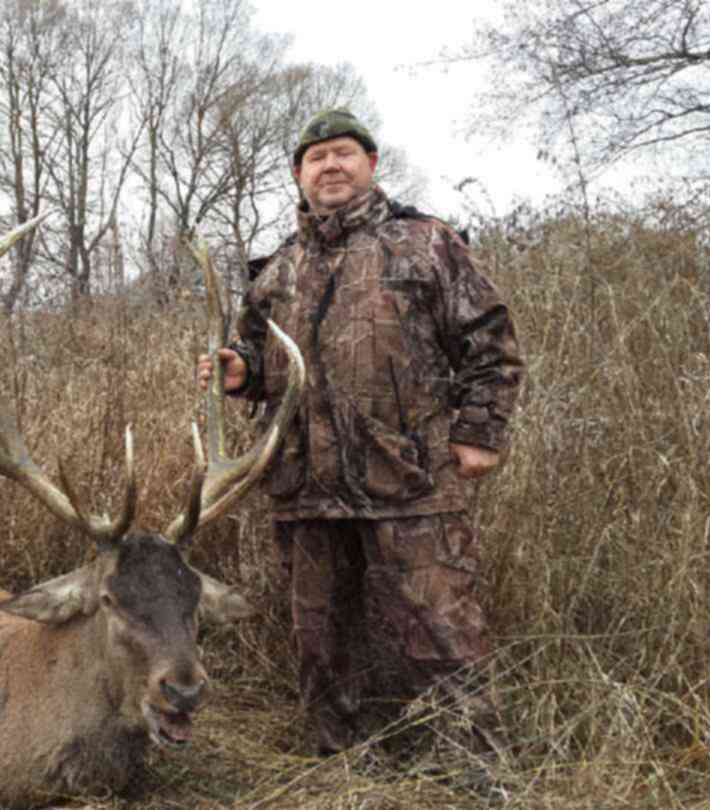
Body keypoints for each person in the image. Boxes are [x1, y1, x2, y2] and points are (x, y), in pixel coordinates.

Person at [197, 109, 524, 759]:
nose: (331, 166)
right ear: (298, 175)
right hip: (306, 489)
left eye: (344, 153)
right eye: (316, 158)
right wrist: (239, 373)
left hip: (410, 480)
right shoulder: (276, 269)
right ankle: (344, 763)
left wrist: (480, 433)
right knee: (321, 641)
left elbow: (492, 345)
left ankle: (475, 767)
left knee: (441, 632)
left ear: (371, 164)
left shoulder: (425, 243)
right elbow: (261, 364)